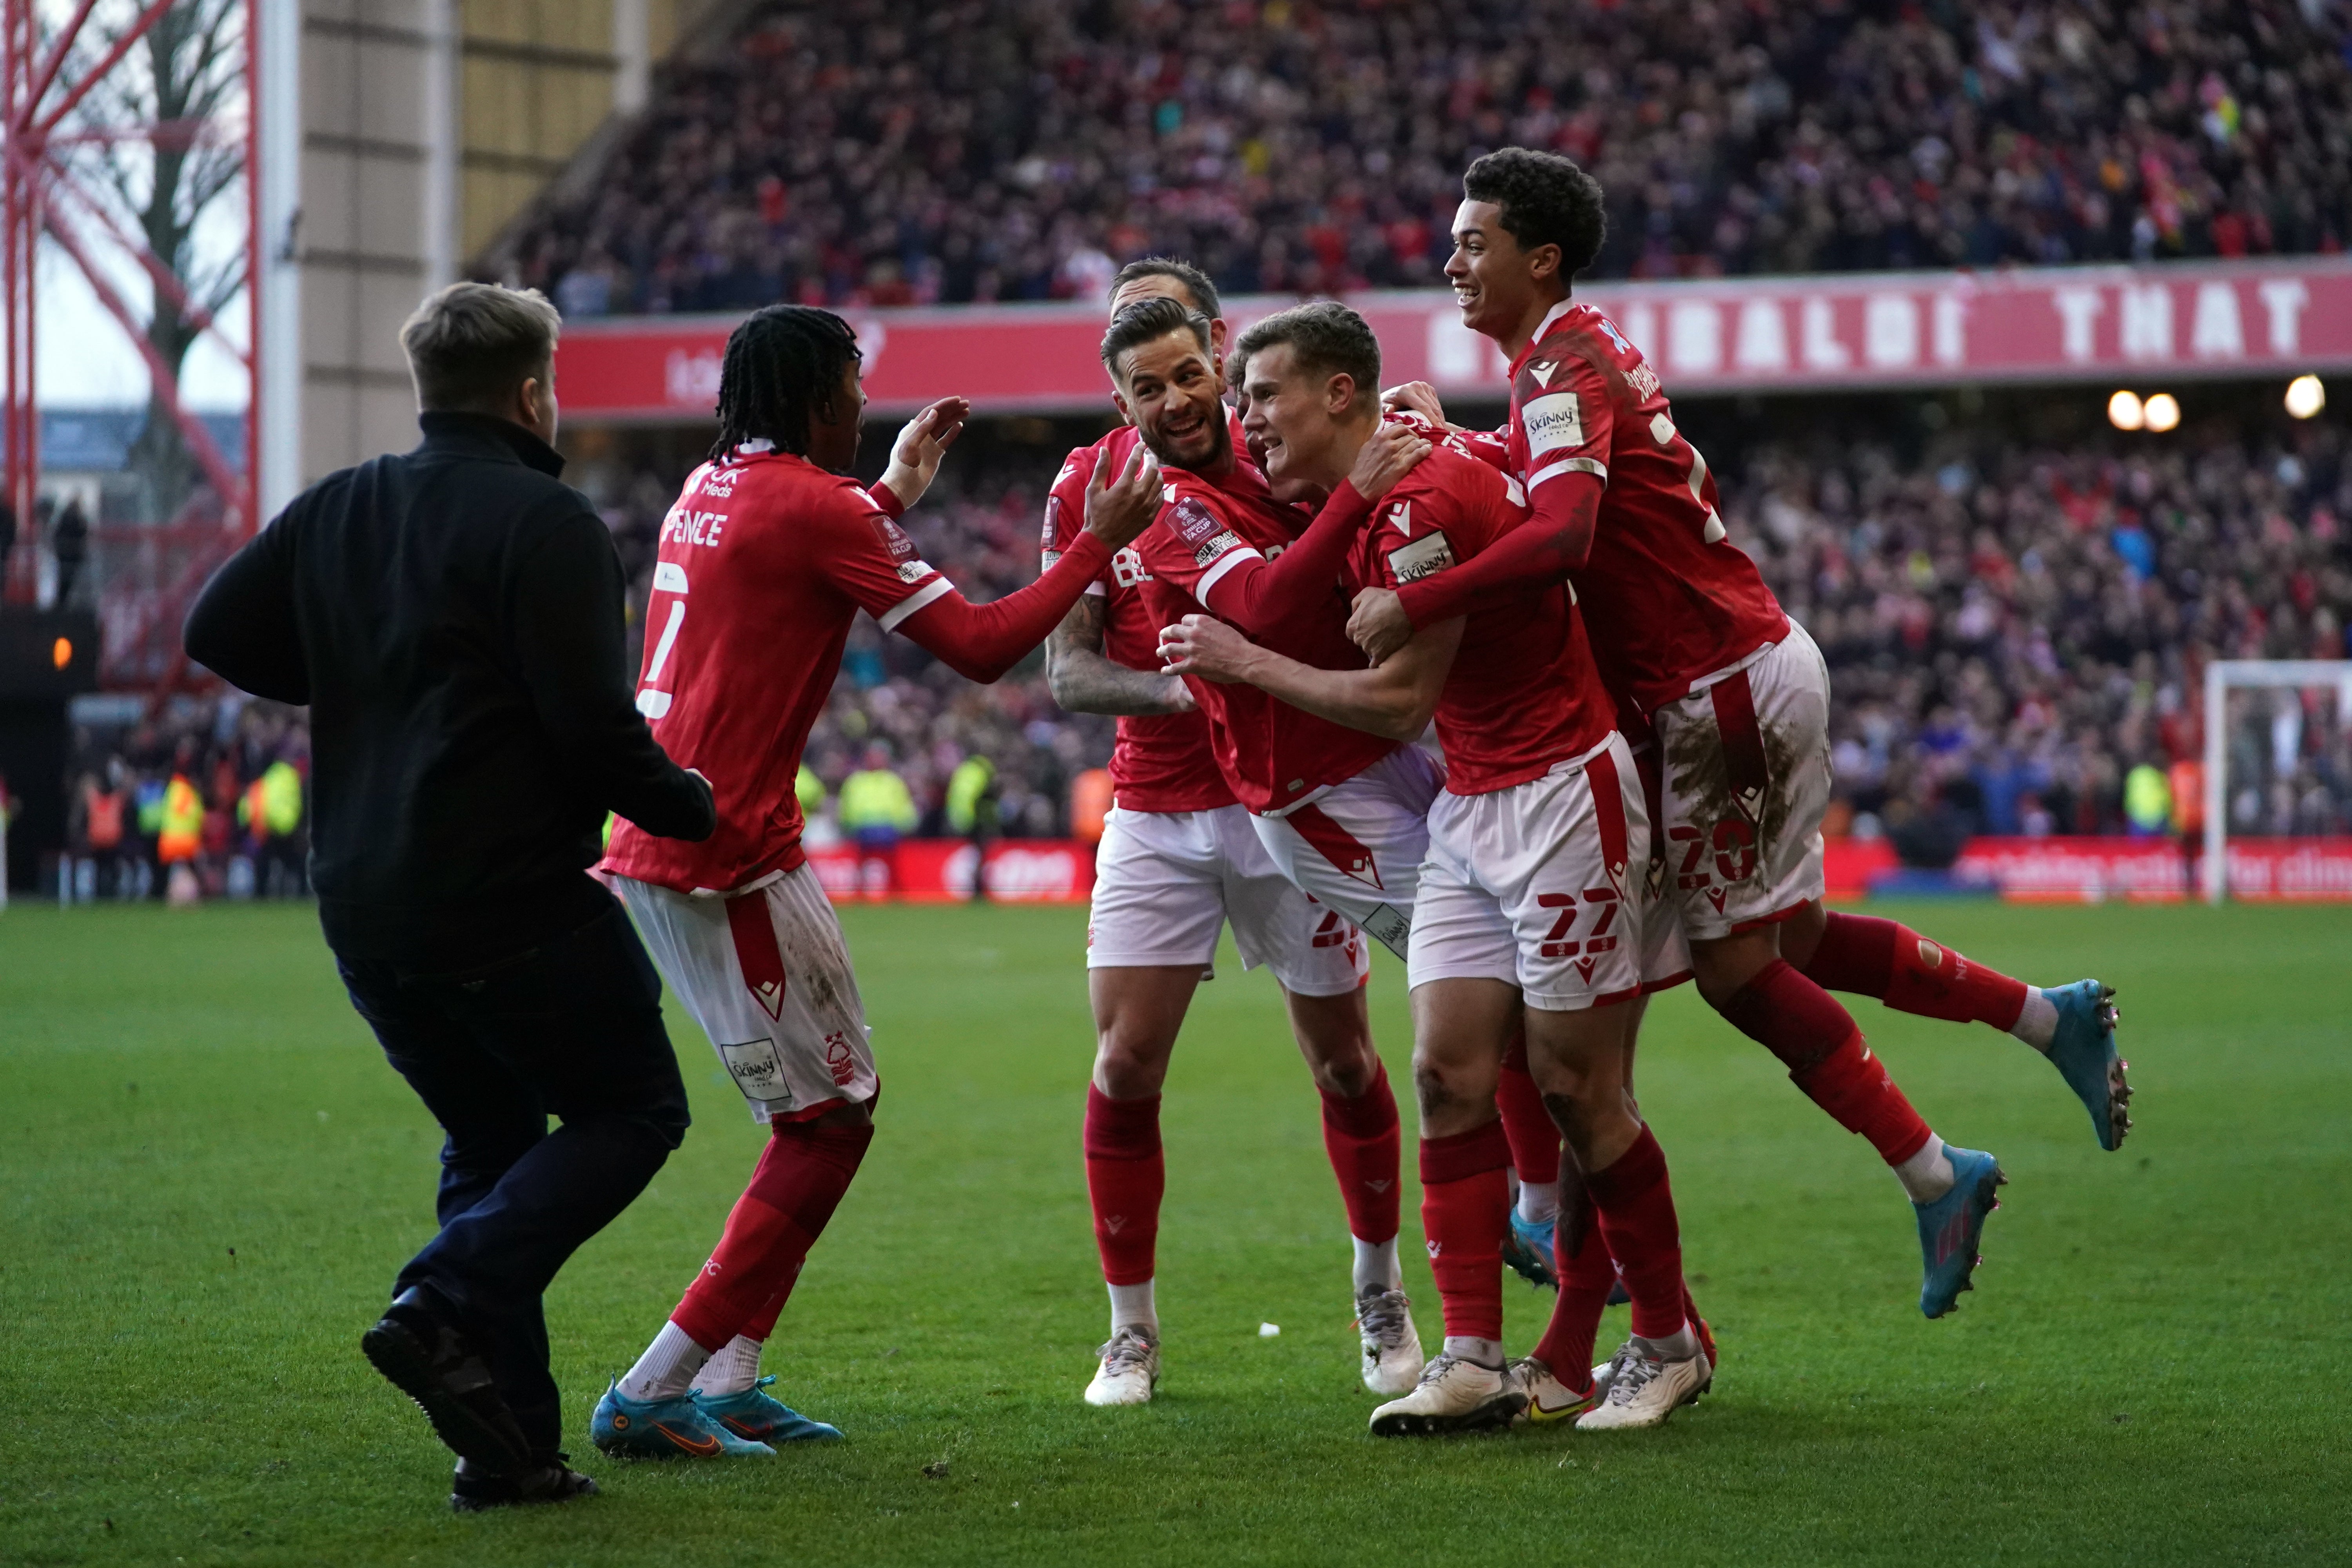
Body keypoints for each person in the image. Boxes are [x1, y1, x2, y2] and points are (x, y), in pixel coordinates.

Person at [1353, 148, 2132, 1317]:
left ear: (1539, 256)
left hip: (1716, 686)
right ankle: (2041, 1018)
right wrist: (1467, 438)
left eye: (1473, 242)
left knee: (1731, 967)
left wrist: (1413, 598)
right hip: (1717, 680)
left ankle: (1933, 1173)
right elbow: (1574, 490)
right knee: (1790, 935)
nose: (1450, 260)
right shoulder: (1566, 359)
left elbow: (1563, 535)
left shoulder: (1559, 368)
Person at [592, 303, 1163, 1459]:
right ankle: (653, 1387)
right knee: (821, 1126)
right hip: (720, 862)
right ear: (814, 400)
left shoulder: (708, 487)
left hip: (697, 838)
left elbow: (788, 551)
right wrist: (1095, 544)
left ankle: (734, 1375)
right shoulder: (811, 505)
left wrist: (890, 492)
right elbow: (985, 645)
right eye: (852, 386)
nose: (865, 406)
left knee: (827, 1115)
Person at [183, 280, 717, 1512]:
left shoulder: (338, 509)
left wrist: (358, 668)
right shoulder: (549, 523)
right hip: (511, 901)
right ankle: (443, 1294)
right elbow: (593, 730)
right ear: (534, 391)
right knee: (631, 1110)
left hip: (364, 910)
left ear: (426, 392)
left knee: (488, 1136)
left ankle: (507, 1449)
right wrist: (691, 802)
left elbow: (218, 629)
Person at [1161, 301, 1711, 1432]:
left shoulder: (1416, 499)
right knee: (1448, 1075)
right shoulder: (1382, 483)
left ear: (1341, 394)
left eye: (1263, 396)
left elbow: (1400, 698)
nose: (1243, 420)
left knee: (1576, 1089)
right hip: (1470, 802)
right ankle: (1469, 1358)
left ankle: (1665, 1342)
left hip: (1563, 793)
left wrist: (1244, 664)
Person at [1043, 261, 1416, 1408]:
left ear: (1216, 349)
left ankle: (1379, 1290)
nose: (1170, 396)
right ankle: (1130, 1332)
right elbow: (1068, 670)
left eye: (1184, 367)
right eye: (1138, 375)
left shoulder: (1286, 458)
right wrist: (1202, 691)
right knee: (1122, 1062)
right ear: (1118, 393)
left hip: (1299, 801)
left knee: (1344, 1058)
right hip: (1155, 811)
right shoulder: (1089, 486)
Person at [838, 742, 917, 896]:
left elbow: (903, 805)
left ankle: (895, 892)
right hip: (863, 829)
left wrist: (906, 824)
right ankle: (860, 893)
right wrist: (848, 824)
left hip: (889, 829)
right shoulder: (856, 781)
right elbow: (847, 806)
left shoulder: (893, 781)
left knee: (892, 865)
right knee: (863, 864)